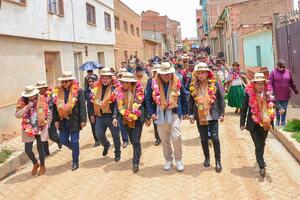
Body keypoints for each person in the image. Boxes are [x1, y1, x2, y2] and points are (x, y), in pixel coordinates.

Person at [146, 62, 188, 172]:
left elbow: (183, 95)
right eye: (164, 73)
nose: (167, 75)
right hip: (160, 114)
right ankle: (168, 160)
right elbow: (148, 99)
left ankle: (178, 159)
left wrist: (185, 111)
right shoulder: (152, 82)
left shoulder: (177, 80)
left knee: (176, 137)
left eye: (168, 73)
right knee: (164, 139)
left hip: (174, 113)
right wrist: (151, 113)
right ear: (159, 74)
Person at [240, 73, 285, 177]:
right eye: (258, 84)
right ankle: (261, 165)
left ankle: (260, 159)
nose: (260, 86)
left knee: (262, 143)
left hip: (266, 123)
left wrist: (280, 108)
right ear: (254, 84)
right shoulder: (249, 94)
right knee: (258, 145)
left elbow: (274, 101)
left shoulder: (268, 93)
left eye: (262, 84)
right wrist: (242, 123)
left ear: (265, 85)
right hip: (253, 124)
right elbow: (244, 108)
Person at [188, 62, 225, 173]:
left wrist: (222, 113)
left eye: (202, 73)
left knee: (215, 138)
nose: (200, 75)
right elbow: (190, 100)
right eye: (198, 73)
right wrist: (190, 114)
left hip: (212, 114)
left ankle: (218, 161)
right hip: (200, 115)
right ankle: (207, 158)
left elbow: (220, 99)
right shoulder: (194, 85)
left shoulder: (215, 84)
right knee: (204, 138)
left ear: (207, 73)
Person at [52, 71, 87, 171]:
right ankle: (75, 150)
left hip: (74, 120)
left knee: (75, 141)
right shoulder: (57, 92)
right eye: (63, 82)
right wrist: (55, 120)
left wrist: (83, 120)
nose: (64, 83)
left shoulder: (79, 91)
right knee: (63, 140)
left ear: (71, 81)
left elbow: (82, 106)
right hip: (62, 120)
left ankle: (75, 161)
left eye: (66, 81)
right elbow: (55, 108)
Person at [15, 86, 49, 176]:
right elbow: (17, 115)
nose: (31, 97)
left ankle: (42, 165)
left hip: (40, 126)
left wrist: (47, 123)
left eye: (32, 95)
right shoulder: (22, 101)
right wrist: (27, 107)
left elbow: (48, 113)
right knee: (28, 150)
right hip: (28, 127)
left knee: (40, 148)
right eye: (29, 95)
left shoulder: (41, 99)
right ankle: (35, 163)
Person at [116, 72, 145, 172]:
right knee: (132, 141)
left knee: (136, 141)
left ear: (130, 83)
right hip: (125, 120)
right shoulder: (120, 93)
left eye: (124, 82)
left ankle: (135, 162)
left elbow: (144, 106)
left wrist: (140, 114)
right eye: (122, 82)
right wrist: (117, 116)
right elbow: (118, 106)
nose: (122, 84)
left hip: (137, 121)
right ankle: (138, 151)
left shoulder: (139, 92)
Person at [90, 68, 121, 162]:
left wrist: (115, 116)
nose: (105, 80)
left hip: (112, 116)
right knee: (99, 134)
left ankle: (117, 153)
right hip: (100, 116)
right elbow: (92, 101)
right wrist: (92, 114)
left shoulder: (115, 88)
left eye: (107, 78)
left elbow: (117, 103)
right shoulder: (96, 88)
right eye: (103, 77)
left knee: (115, 135)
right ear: (101, 78)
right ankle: (106, 145)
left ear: (111, 78)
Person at [36, 81, 62, 157]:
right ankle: (46, 152)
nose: (40, 89)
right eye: (39, 88)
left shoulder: (51, 96)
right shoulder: (36, 97)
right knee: (43, 137)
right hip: (41, 119)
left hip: (51, 118)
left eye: (42, 88)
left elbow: (55, 106)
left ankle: (58, 141)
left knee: (52, 135)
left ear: (45, 88)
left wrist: (57, 119)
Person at [269, 60, 299, 126]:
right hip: (276, 95)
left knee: (284, 108)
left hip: (286, 94)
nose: (282, 68)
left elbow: (291, 82)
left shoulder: (288, 72)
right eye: (280, 67)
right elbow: (270, 83)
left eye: (283, 67)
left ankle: (283, 121)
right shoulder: (273, 72)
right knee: (278, 108)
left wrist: (295, 89)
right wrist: (271, 91)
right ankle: (277, 120)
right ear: (277, 66)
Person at [146, 63, 161, 146]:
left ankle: (165, 137)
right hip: (154, 104)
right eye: (156, 72)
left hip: (165, 104)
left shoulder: (166, 80)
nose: (158, 74)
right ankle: (158, 138)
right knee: (156, 122)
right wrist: (150, 111)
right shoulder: (151, 81)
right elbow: (148, 97)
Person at [84, 75, 100, 147]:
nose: (91, 83)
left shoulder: (100, 89)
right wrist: (91, 114)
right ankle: (96, 141)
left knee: (100, 126)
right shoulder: (86, 91)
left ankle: (101, 138)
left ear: (96, 81)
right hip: (91, 111)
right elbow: (86, 103)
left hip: (100, 111)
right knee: (93, 126)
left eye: (92, 81)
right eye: (89, 82)